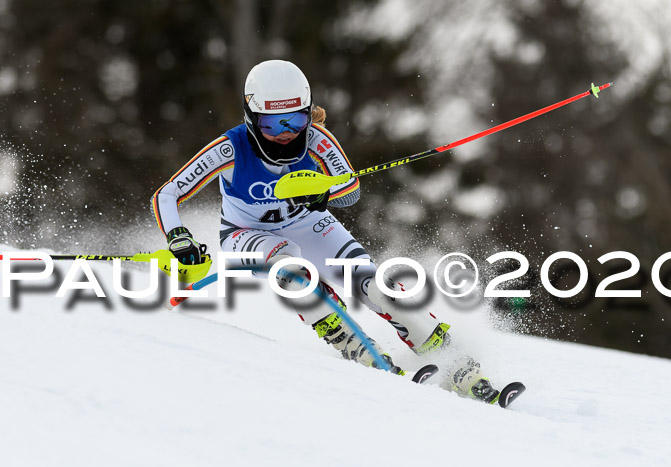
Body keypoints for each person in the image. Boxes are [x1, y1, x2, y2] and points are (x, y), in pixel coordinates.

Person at [151, 59, 499, 403]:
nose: (287, 132)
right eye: (273, 124)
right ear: (252, 117)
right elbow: (167, 193)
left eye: (297, 119)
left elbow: (352, 191)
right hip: (247, 232)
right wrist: (178, 235)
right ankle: (358, 349)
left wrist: (324, 191)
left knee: (374, 285)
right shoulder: (230, 148)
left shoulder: (317, 140)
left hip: (308, 224)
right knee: (293, 274)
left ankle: (455, 361)